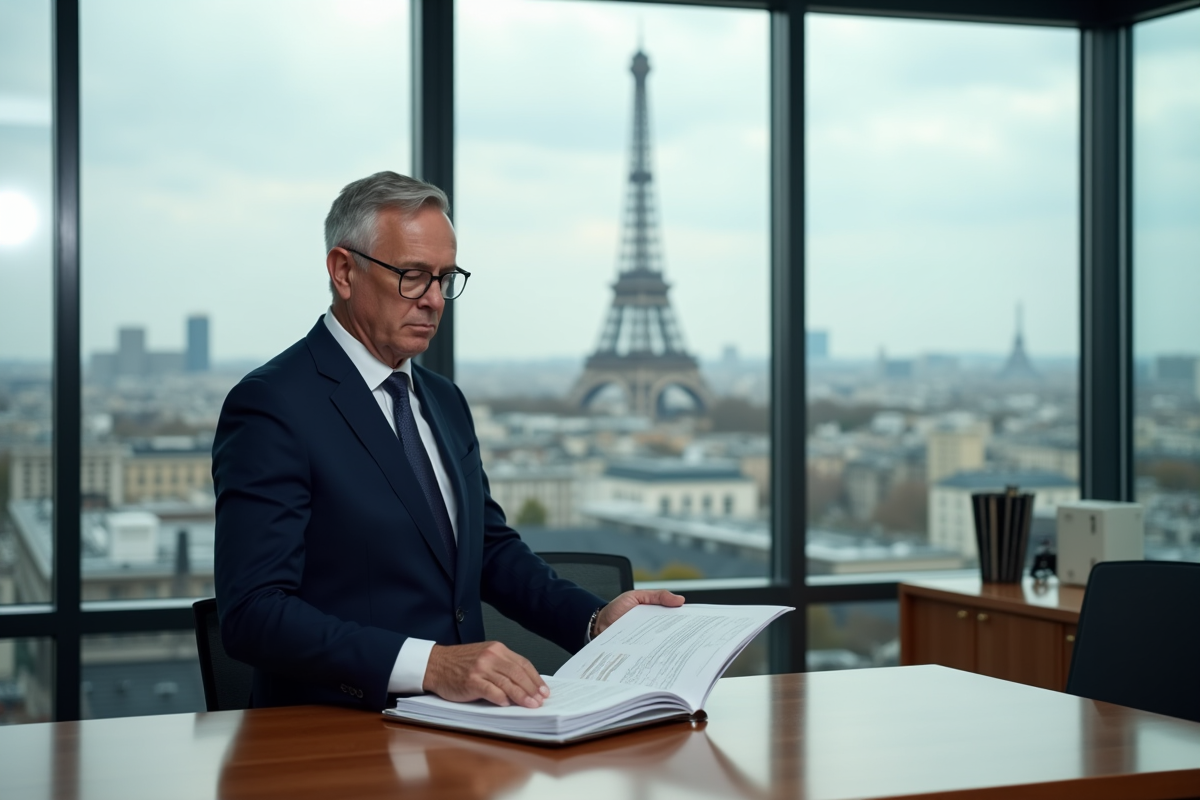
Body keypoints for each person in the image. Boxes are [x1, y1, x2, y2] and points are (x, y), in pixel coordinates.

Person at [213, 171, 682, 713]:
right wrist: (432, 665)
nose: (435, 300)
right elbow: (253, 613)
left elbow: (488, 551)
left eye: (445, 277)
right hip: (332, 740)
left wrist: (594, 619)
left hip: (464, 732)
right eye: (412, 276)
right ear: (343, 271)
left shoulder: (443, 400)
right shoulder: (273, 404)